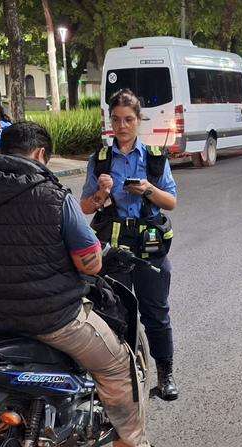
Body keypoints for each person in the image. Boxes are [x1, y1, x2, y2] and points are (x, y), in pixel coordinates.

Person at [0, 122, 176, 447]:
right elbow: (90, 262)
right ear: (40, 154)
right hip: (54, 317)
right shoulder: (52, 196)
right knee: (117, 365)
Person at [80, 89, 181, 401]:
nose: (121, 126)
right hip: (113, 248)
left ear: (138, 120)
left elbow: (171, 201)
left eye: (128, 119)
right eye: (116, 120)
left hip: (149, 247)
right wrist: (101, 193)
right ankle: (119, 379)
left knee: (156, 313)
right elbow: (85, 206)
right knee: (113, 315)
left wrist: (148, 189)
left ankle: (165, 375)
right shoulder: (100, 160)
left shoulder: (154, 157)